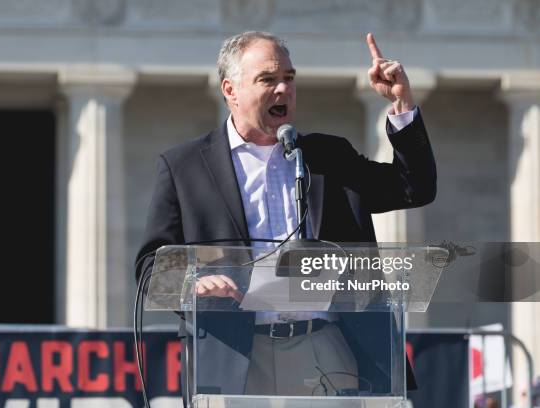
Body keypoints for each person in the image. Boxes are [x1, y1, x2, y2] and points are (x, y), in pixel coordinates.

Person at [136, 31, 436, 400]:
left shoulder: (328, 157)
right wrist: (192, 286)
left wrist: (401, 105)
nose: (283, 90)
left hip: (328, 347)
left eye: (289, 79)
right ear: (230, 90)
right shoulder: (184, 167)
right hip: (237, 355)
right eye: (268, 79)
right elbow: (151, 268)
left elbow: (414, 187)